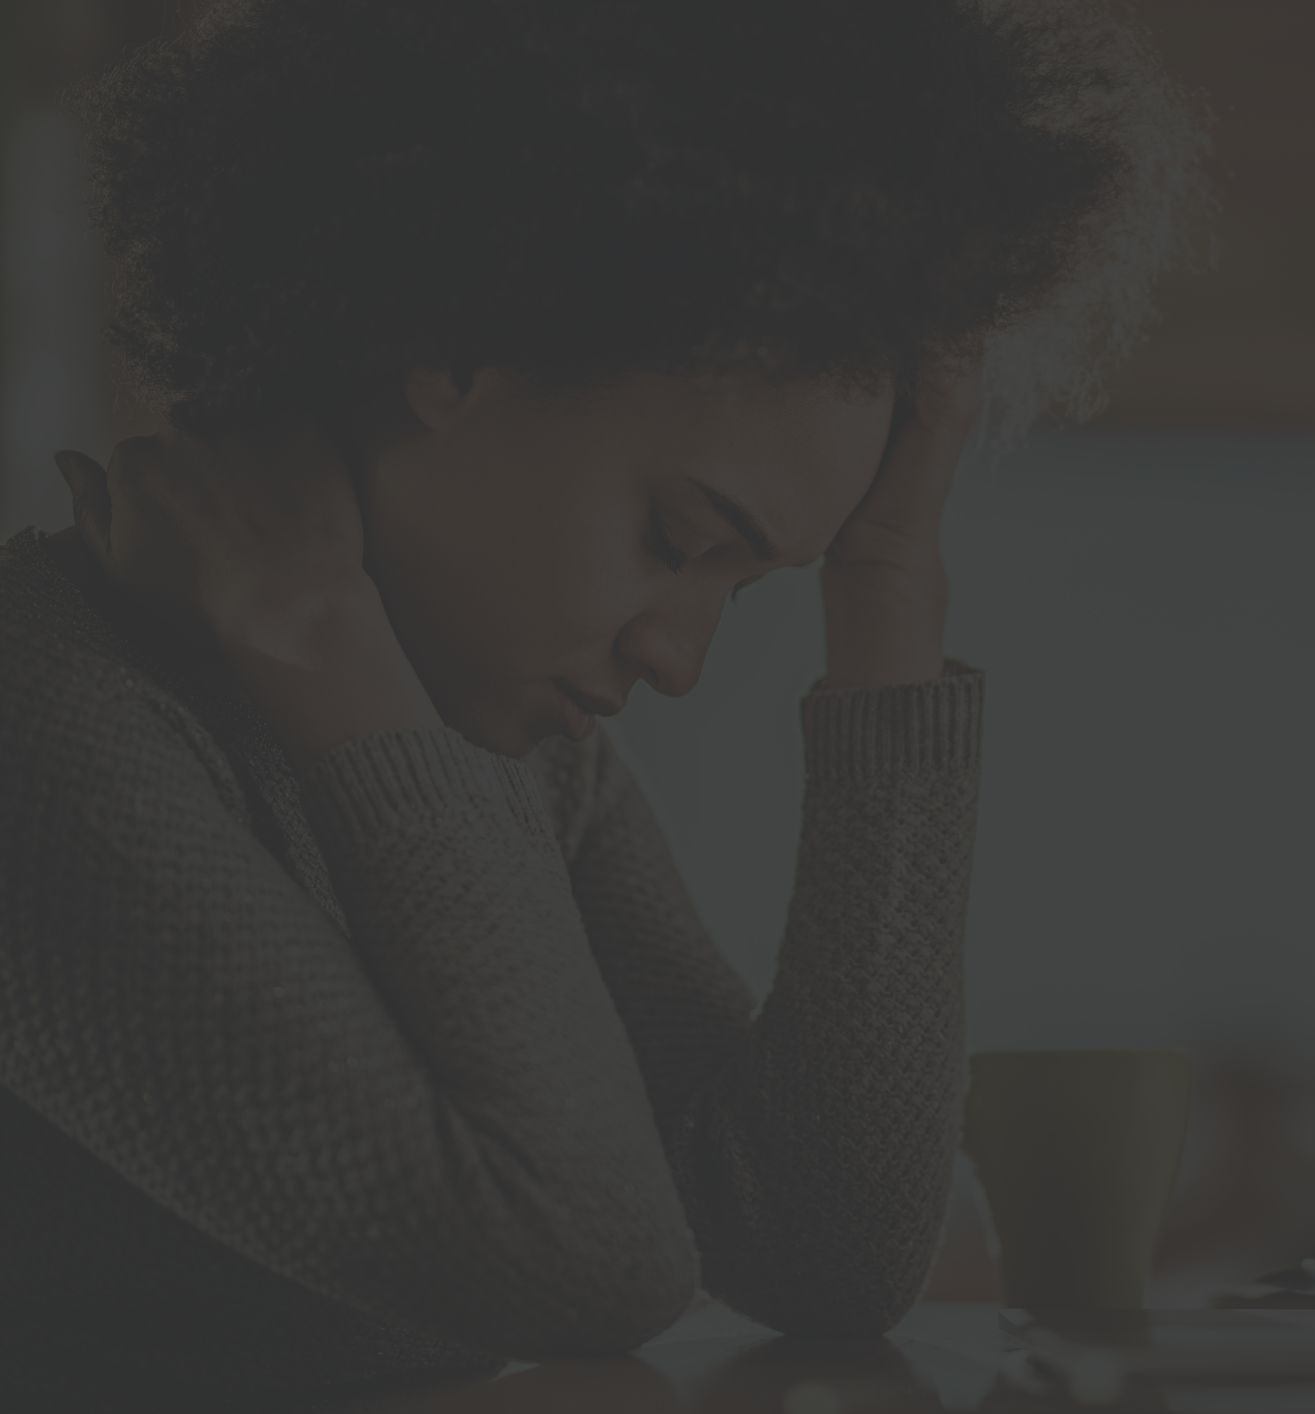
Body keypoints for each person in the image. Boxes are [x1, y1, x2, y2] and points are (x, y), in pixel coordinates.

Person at [0, 0, 1212, 1408]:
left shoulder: (493, 735)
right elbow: (588, 1268)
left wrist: (888, 588)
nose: (679, 658)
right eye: (676, 537)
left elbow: (829, 1247)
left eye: (750, 587)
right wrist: (329, 648)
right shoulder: (43, 716)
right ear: (456, 347)